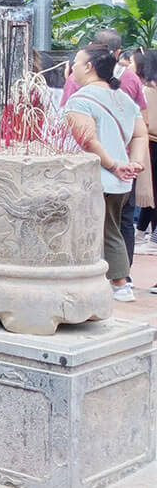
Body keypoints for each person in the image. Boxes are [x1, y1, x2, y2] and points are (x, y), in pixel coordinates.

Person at [65, 43, 147, 302]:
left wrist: (112, 165)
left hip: (96, 178)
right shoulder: (124, 99)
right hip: (122, 181)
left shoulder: (81, 100)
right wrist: (134, 163)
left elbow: (87, 140)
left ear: (89, 67)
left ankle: (120, 284)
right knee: (111, 228)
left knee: (105, 231)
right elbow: (140, 134)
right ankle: (112, 282)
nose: (73, 69)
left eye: (76, 64)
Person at [134, 48, 157, 258]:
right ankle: (142, 234)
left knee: (152, 191)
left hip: (150, 143)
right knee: (151, 192)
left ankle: (152, 238)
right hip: (149, 142)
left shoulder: (147, 91)